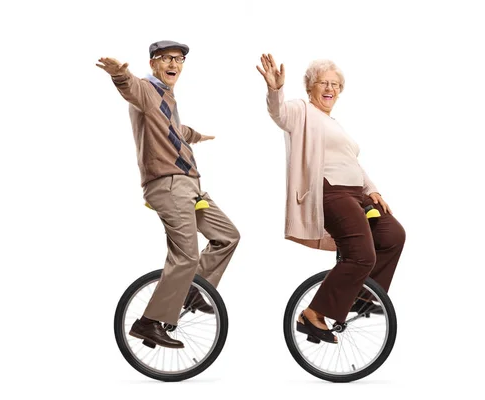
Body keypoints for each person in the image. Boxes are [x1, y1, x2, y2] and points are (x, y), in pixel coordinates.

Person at [97, 41, 240, 349]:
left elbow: (175, 128)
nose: (175, 63)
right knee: (186, 255)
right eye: (167, 59)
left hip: (191, 184)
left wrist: (197, 136)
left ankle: (192, 292)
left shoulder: (166, 97)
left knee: (227, 236)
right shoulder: (147, 90)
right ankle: (148, 323)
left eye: (180, 59)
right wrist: (119, 75)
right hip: (168, 184)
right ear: (153, 64)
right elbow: (130, 87)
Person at [257, 54, 405, 344]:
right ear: (310, 87)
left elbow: (352, 163)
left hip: (356, 192)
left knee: (392, 235)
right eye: (323, 83)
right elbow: (279, 115)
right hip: (330, 191)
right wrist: (275, 90)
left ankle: (360, 298)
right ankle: (313, 313)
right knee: (362, 255)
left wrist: (372, 189)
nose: (330, 89)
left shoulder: (334, 123)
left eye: (335, 84)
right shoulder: (303, 111)